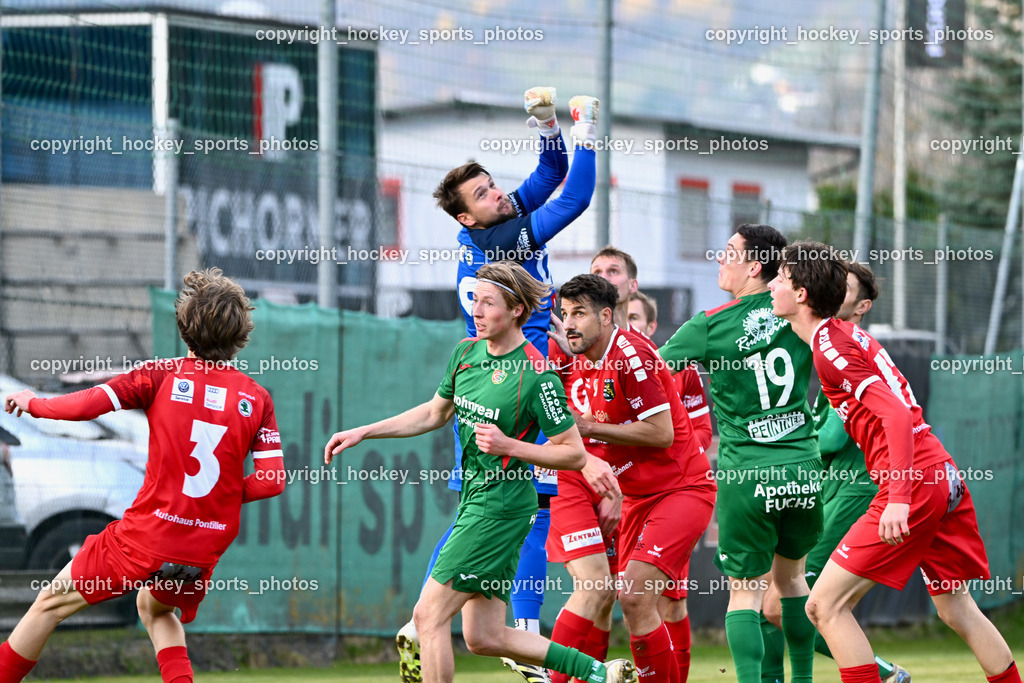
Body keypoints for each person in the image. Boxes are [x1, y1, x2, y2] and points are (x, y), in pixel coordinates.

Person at [325, 262, 635, 683]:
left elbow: (574, 454)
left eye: (488, 302)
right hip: (475, 499)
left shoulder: (536, 373)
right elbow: (435, 413)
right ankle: (599, 674)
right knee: (484, 636)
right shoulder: (466, 353)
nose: (477, 309)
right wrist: (365, 431)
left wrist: (511, 447)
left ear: (518, 310)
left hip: (501, 506)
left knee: (428, 615)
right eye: (475, 300)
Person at [395, 87, 602, 683]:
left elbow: (549, 175)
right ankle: (501, 632)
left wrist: (546, 128)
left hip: (500, 388)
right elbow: (579, 193)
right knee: (525, 509)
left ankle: (482, 632)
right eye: (483, 193)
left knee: (503, 516)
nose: (498, 194)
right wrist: (587, 126)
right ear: (467, 217)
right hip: (514, 392)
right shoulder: (505, 241)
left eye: (492, 183)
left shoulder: (497, 224)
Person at [0, 269, 286, 683]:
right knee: (155, 608)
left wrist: (33, 402)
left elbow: (86, 406)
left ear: (185, 327)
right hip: (203, 544)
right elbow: (273, 479)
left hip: (150, 534)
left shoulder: (161, 374)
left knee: (50, 603)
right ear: (240, 334)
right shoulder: (256, 397)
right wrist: (220, 497)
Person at [769, 242, 1021, 683]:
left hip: (914, 480)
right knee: (956, 607)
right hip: (938, 472)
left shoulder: (830, 346)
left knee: (823, 606)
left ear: (802, 295)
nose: (772, 285)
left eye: (781, 279)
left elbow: (896, 414)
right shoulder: (838, 337)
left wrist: (899, 498)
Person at [658, 225, 822, 683]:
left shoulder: (709, 325)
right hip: (803, 470)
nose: (719, 259)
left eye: (728, 252)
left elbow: (650, 375)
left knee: (746, 594)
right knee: (791, 583)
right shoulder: (798, 311)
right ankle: (801, 679)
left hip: (748, 475)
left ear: (755, 266)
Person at [557, 274, 715, 683]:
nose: (569, 323)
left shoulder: (630, 354)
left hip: (682, 490)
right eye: (564, 313)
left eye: (579, 313)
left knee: (634, 594)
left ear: (607, 316)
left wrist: (590, 428)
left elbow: (661, 433)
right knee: (631, 603)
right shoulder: (576, 361)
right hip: (638, 500)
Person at [761, 262, 909, 682]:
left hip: (858, 491)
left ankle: (881, 674)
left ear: (860, 306)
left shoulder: (843, 349)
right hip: (833, 488)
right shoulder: (828, 345)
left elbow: (831, 440)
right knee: (777, 604)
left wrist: (777, 435)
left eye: (843, 287)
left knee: (793, 604)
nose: (829, 289)